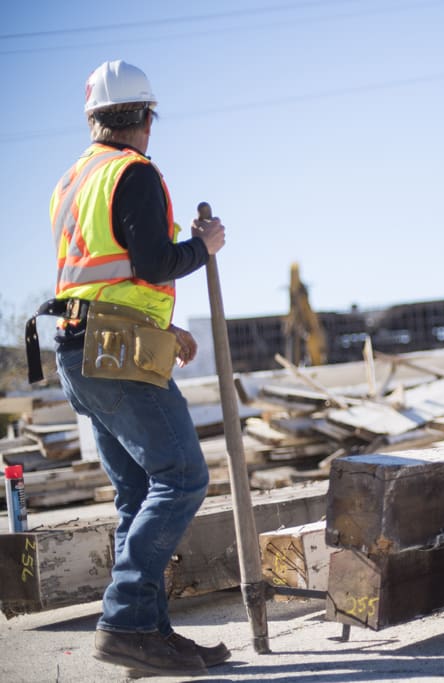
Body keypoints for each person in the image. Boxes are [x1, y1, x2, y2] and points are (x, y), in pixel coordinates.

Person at [28, 60, 228, 677]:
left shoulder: (73, 178)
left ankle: (151, 636)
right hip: (111, 350)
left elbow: (101, 276)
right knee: (182, 478)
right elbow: (150, 261)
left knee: (138, 492)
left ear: (93, 119)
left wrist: (160, 330)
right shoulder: (133, 172)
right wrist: (206, 246)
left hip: (81, 346)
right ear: (146, 117)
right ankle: (124, 621)